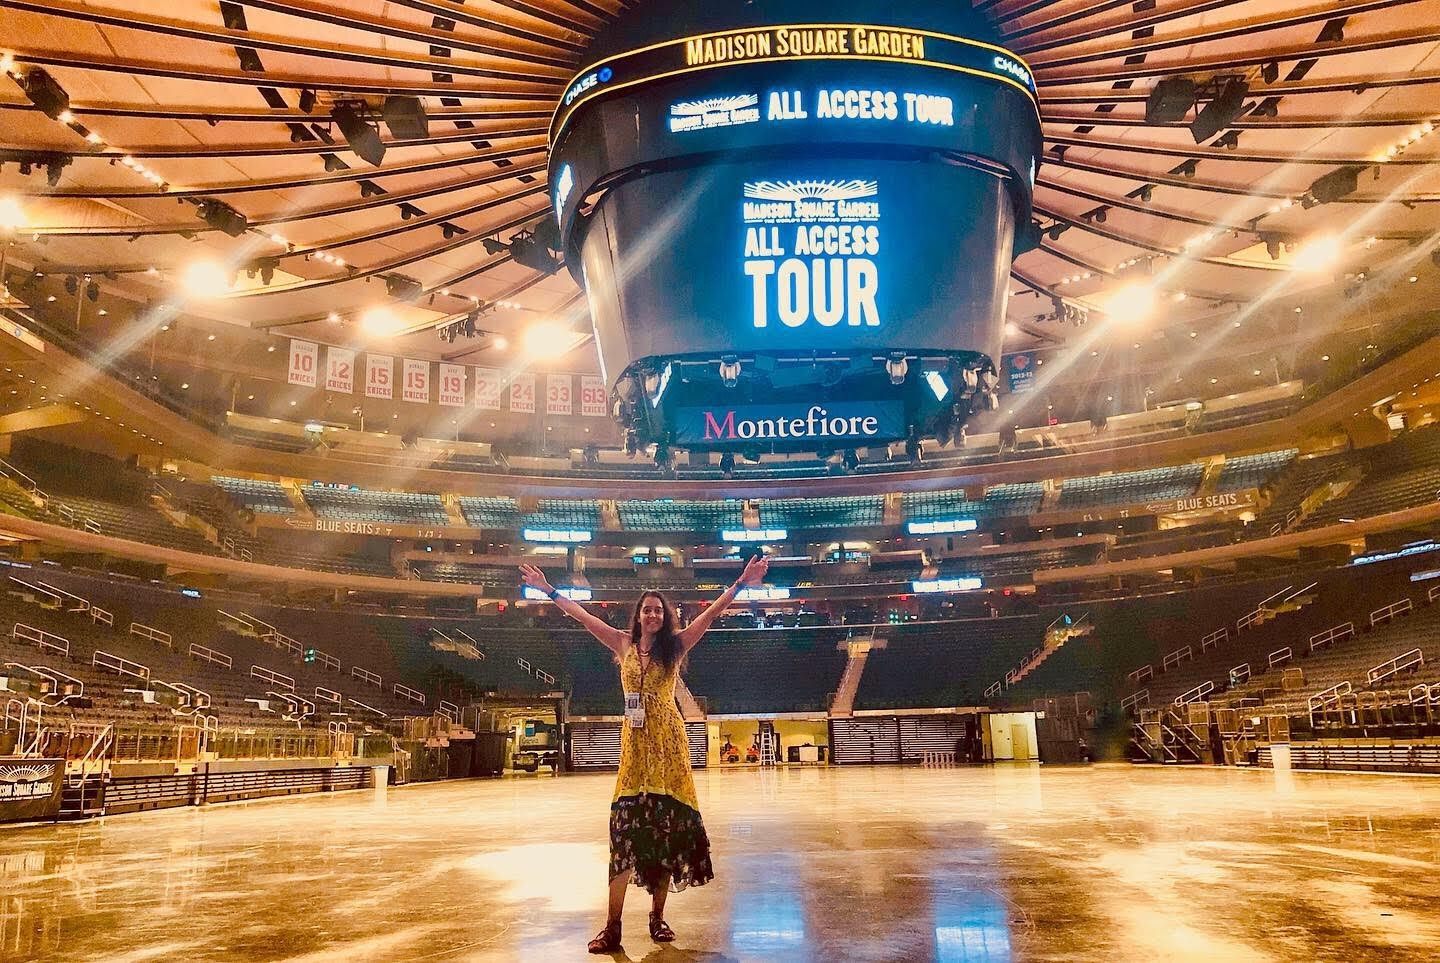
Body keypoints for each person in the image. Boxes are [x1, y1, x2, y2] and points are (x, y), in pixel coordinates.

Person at [519, 555, 769, 953]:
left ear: (664, 616)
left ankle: (657, 916)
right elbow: (583, 617)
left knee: (665, 833)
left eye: (657, 610)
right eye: (646, 609)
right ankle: (612, 926)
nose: (652, 614)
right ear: (638, 615)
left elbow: (714, 611)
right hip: (634, 750)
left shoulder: (677, 645)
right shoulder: (622, 643)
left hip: (669, 748)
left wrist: (741, 583)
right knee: (622, 834)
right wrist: (549, 590)